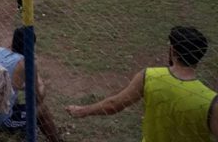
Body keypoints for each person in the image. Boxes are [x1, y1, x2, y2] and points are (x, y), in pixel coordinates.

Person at [66, 26, 218, 141]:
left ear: (172, 50)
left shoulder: (150, 76)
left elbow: (113, 105)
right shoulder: (211, 101)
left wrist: (82, 111)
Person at [0, 27, 63, 142]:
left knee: (3, 90)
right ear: (31, 47)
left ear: (13, 41)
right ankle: (57, 140)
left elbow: (9, 81)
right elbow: (38, 98)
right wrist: (40, 81)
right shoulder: (27, 64)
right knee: (42, 109)